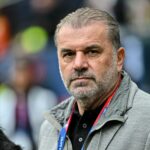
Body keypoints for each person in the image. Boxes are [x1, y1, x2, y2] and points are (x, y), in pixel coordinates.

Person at [38, 7, 150, 150]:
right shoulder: (49, 129)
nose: (78, 64)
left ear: (119, 58)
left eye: (92, 52)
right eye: (68, 54)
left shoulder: (147, 121)